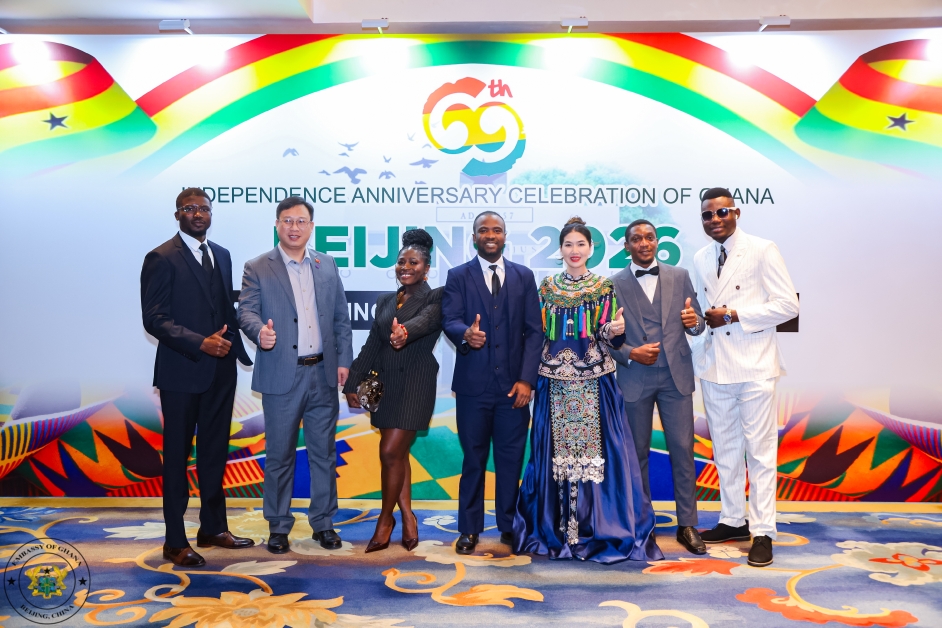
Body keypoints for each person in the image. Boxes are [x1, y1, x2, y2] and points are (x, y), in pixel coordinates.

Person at [513, 217, 663, 564]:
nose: (574, 251)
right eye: (568, 245)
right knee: (553, 460)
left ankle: (598, 527)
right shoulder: (547, 287)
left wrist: (615, 330)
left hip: (596, 383)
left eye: (581, 244)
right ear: (560, 250)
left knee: (601, 460)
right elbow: (536, 334)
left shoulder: (603, 287)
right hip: (553, 383)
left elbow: (607, 335)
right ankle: (556, 530)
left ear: (592, 249)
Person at [141, 187, 255, 567]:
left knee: (214, 453)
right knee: (176, 457)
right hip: (180, 373)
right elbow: (154, 319)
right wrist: (200, 343)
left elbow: (224, 309)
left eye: (204, 208)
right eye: (189, 208)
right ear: (178, 215)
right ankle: (175, 541)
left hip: (221, 372)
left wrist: (242, 344)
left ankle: (213, 528)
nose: (198, 213)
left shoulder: (221, 254)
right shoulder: (160, 257)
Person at [238, 196, 353, 554]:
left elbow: (341, 318)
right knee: (279, 455)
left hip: (322, 373)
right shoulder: (258, 267)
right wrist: (260, 332)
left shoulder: (326, 264)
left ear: (311, 227)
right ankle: (278, 525)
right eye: (287, 220)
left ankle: (324, 523)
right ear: (277, 225)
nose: (294, 227)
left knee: (324, 454)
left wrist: (344, 361)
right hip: (281, 376)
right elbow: (246, 312)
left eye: (301, 221)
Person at [691, 187, 799, 567]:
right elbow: (702, 311)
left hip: (754, 365)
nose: (715, 219)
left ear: (736, 213)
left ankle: (763, 530)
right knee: (725, 450)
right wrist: (695, 325)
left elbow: (788, 305)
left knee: (760, 452)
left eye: (722, 212)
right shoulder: (701, 256)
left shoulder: (762, 249)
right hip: (715, 366)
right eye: (708, 215)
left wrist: (735, 315)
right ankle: (733, 519)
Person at [442, 211, 543, 555]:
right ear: (474, 237)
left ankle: (508, 525)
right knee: (473, 459)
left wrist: (527, 380)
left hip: (514, 389)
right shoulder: (458, 275)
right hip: (472, 388)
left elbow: (535, 332)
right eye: (483, 230)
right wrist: (465, 334)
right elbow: (450, 319)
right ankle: (469, 528)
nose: (490, 235)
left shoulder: (523, 276)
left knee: (510, 460)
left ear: (504, 236)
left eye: (496, 230)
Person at [610, 219, 707, 556]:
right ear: (627, 246)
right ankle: (643, 524)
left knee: (683, 449)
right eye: (636, 239)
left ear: (657, 241)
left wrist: (695, 324)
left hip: (675, 376)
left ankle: (687, 524)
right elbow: (604, 337)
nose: (644, 243)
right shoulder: (613, 284)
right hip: (634, 377)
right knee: (636, 454)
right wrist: (629, 353)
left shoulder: (679, 276)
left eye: (649, 237)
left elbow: (697, 323)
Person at [343, 229, 444, 553]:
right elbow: (372, 344)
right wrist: (352, 383)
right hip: (386, 386)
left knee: (389, 452)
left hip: (415, 384)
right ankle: (408, 515)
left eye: (414, 262)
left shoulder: (437, 297)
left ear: (426, 269)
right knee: (397, 455)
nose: (406, 267)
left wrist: (405, 332)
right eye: (402, 261)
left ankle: (385, 519)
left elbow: (426, 322)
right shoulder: (385, 301)